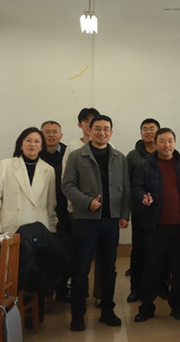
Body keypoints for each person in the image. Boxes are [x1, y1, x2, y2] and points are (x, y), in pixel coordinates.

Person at [62, 115, 130, 332]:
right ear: (89, 130)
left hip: (111, 221)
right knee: (81, 268)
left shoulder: (119, 157)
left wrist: (124, 214)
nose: (102, 132)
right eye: (97, 128)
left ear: (111, 132)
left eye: (106, 129)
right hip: (85, 221)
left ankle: (107, 311)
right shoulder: (76, 156)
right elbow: (67, 185)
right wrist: (87, 202)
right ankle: (78, 314)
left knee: (109, 268)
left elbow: (126, 187)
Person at [132, 128, 180, 322]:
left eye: (170, 140)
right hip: (156, 225)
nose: (167, 145)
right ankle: (146, 306)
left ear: (175, 143)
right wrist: (142, 197)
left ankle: (178, 306)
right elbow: (136, 187)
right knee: (151, 267)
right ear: (155, 143)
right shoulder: (145, 165)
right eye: (162, 141)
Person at [0, 127, 57, 234]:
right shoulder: (5, 165)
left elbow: (51, 204)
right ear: (21, 144)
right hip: (10, 228)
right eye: (28, 140)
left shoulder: (48, 170)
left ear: (41, 147)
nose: (32, 144)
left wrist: (52, 229)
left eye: (37, 141)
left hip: (39, 229)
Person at [125, 118, 160, 304]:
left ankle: (160, 287)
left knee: (159, 251)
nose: (148, 132)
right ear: (140, 133)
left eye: (152, 128)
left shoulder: (164, 152)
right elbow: (128, 184)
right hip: (140, 211)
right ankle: (135, 289)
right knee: (138, 250)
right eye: (145, 129)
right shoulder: (132, 156)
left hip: (161, 211)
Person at [41, 120, 68, 233]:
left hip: (64, 202)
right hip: (41, 201)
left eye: (55, 132)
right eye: (47, 132)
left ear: (61, 135)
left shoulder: (69, 153)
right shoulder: (34, 154)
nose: (51, 135)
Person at [63, 107, 100, 172]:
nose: (89, 125)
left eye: (92, 121)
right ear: (79, 125)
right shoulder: (72, 145)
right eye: (86, 121)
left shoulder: (107, 145)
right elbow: (66, 170)